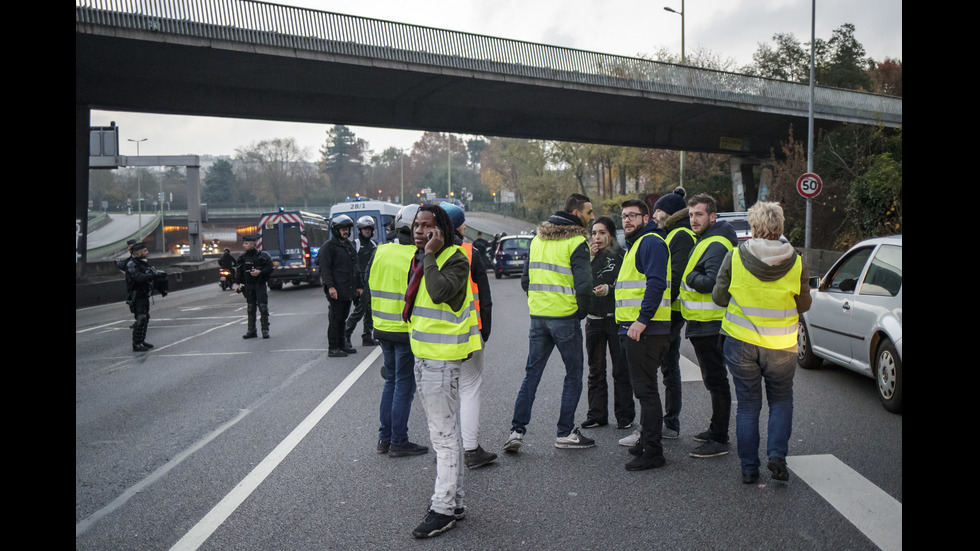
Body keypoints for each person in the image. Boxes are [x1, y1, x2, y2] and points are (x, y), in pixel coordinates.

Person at [712, 201, 811, 484]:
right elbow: (804, 304)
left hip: (741, 342)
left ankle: (749, 469)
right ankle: (777, 455)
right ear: (780, 226)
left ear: (754, 227)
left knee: (747, 405)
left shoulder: (734, 256)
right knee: (780, 400)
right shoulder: (797, 260)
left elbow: (719, 298)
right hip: (781, 345)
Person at [404, 204, 481, 538]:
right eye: (416, 226)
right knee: (446, 433)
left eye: (427, 226)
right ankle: (456, 503)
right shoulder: (421, 259)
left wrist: (432, 255)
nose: (420, 232)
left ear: (442, 230)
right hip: (424, 356)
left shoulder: (455, 259)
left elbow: (439, 294)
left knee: (443, 437)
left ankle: (443, 508)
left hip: (442, 360)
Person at [503, 193, 595, 452]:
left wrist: (539, 301)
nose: (592, 217)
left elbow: (525, 281)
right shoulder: (577, 242)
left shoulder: (537, 239)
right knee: (574, 374)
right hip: (565, 318)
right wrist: (580, 312)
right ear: (576, 214)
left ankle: (516, 432)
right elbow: (585, 286)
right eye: (589, 212)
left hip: (538, 318)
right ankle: (565, 433)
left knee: (532, 375)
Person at [679, 193, 738, 458]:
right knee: (713, 380)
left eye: (699, 214)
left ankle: (720, 437)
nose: (693, 219)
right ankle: (716, 428)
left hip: (711, 324)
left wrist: (690, 276)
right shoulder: (706, 240)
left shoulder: (715, 243)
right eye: (691, 215)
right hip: (703, 324)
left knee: (716, 381)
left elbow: (715, 284)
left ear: (712, 216)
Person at [615, 199, 672, 471]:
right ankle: (646, 442)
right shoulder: (637, 243)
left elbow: (656, 283)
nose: (627, 220)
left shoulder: (649, 242)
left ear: (646, 217)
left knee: (646, 391)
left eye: (633, 216)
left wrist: (641, 320)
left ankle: (653, 451)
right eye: (624, 216)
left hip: (645, 330)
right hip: (636, 329)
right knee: (644, 390)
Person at [441, 203, 497, 469]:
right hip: (467, 333)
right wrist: (484, 331)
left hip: (432, 337)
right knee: (470, 388)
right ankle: (471, 450)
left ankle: (445, 450)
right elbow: (484, 299)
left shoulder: (424, 254)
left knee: (442, 395)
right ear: (460, 227)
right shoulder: (470, 253)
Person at [370, 204, 428, 458]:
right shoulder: (417, 256)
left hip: (382, 327)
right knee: (404, 384)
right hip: (405, 329)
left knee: (391, 382)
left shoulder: (381, 251)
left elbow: (368, 282)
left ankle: (385, 438)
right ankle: (398, 441)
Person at [582, 216, 635, 431]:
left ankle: (625, 416)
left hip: (616, 320)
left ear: (611, 235)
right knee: (596, 369)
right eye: (594, 233)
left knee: (621, 369)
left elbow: (627, 285)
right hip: (593, 320)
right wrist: (591, 258)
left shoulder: (622, 256)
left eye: (602, 232)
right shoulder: (586, 258)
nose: (597, 237)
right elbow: (581, 283)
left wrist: (609, 290)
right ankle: (596, 415)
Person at [650, 188, 695, 440]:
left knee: (658, 368)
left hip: (670, 312)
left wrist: (653, 307)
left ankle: (664, 423)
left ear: (669, 213)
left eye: (657, 210)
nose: (654, 215)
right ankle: (669, 423)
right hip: (671, 311)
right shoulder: (674, 233)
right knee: (669, 368)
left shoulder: (679, 235)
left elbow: (674, 279)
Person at [317, 215, 363, 357]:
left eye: (348, 229)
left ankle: (342, 345)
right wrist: (330, 287)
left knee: (343, 317)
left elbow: (355, 266)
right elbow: (325, 269)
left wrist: (359, 285)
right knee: (335, 319)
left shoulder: (348, 245)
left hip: (348, 289)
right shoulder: (328, 247)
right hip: (336, 289)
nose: (346, 232)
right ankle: (333, 347)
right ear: (336, 230)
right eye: (343, 229)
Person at [344, 215, 380, 348]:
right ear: (359, 230)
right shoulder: (355, 244)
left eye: (369, 229)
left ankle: (367, 336)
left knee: (370, 310)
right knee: (360, 310)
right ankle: (346, 334)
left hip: (372, 282)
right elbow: (351, 264)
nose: (367, 231)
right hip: (360, 283)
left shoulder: (374, 245)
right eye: (365, 229)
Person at [235, 236, 274, 339]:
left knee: (263, 307)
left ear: (253, 244)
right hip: (248, 285)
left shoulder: (263, 256)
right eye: (244, 243)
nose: (244, 245)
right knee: (251, 308)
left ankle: (265, 329)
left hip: (260, 284)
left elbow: (270, 268)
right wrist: (238, 284)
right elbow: (239, 271)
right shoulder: (242, 257)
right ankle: (251, 330)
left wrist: (260, 272)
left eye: (246, 243)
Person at [126, 242, 158, 352]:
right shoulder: (132, 264)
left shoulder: (143, 263)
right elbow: (138, 277)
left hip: (144, 295)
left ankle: (141, 340)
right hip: (137, 296)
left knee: (146, 317)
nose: (147, 252)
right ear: (139, 252)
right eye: (144, 251)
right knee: (141, 318)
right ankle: (136, 344)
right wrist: (151, 275)